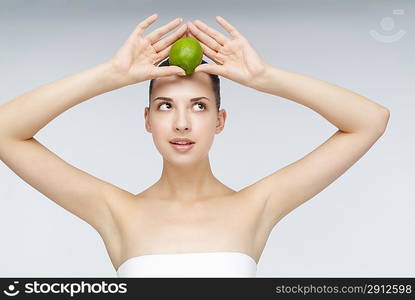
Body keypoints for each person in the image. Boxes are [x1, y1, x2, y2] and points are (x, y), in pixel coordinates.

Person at [0, 14, 390, 277]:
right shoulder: (115, 211)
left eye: (199, 106)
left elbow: (369, 120)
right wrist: (110, 74)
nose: (182, 122)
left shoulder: (255, 206)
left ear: (220, 121)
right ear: (148, 120)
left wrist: (265, 77)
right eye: (165, 106)